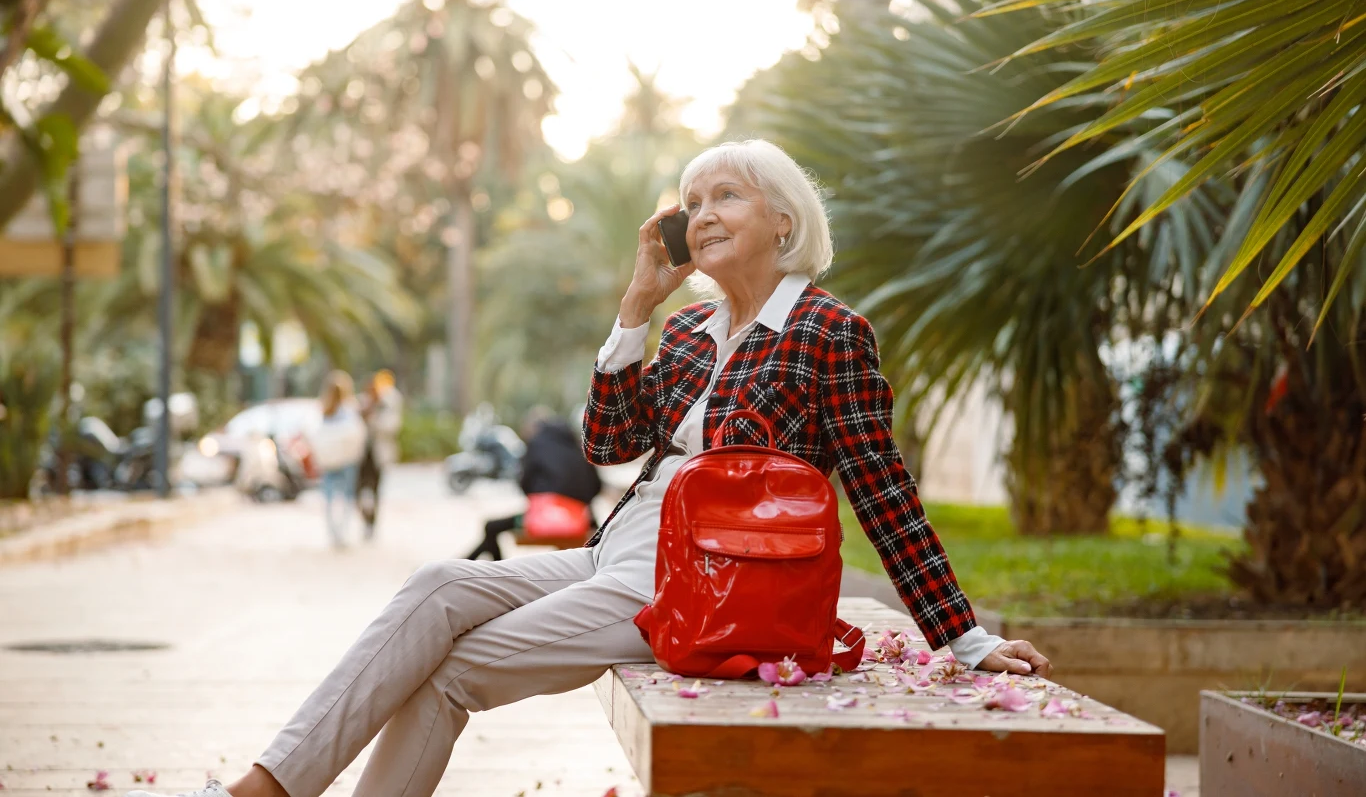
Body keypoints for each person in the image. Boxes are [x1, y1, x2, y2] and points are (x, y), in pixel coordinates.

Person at [129, 139, 1051, 797]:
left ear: (783, 220)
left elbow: (883, 489)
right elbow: (609, 446)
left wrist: (964, 638)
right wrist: (634, 314)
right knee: (436, 586)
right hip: (621, 552)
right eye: (692, 202)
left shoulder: (828, 331)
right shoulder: (686, 331)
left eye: (725, 197)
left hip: (709, 579)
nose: (702, 215)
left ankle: (265, 793)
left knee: (450, 669)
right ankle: (271, 785)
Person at [464, 407, 603, 561]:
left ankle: (486, 566)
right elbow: (596, 485)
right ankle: (467, 561)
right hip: (578, 519)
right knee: (492, 528)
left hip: (543, 516)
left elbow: (524, 482)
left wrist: (543, 497)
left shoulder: (536, 444)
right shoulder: (577, 445)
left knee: (491, 527)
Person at [310, 371, 366, 548]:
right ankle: (342, 533)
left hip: (329, 459)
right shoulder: (349, 409)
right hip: (347, 459)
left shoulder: (324, 409)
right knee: (347, 496)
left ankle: (333, 533)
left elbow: (315, 434)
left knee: (329, 498)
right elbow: (358, 434)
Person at [356, 370, 403, 539]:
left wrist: (373, 417)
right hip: (360, 456)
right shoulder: (360, 403)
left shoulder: (387, 405)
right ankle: (364, 517)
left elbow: (393, 426)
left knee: (375, 490)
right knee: (358, 490)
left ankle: (372, 523)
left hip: (378, 456)